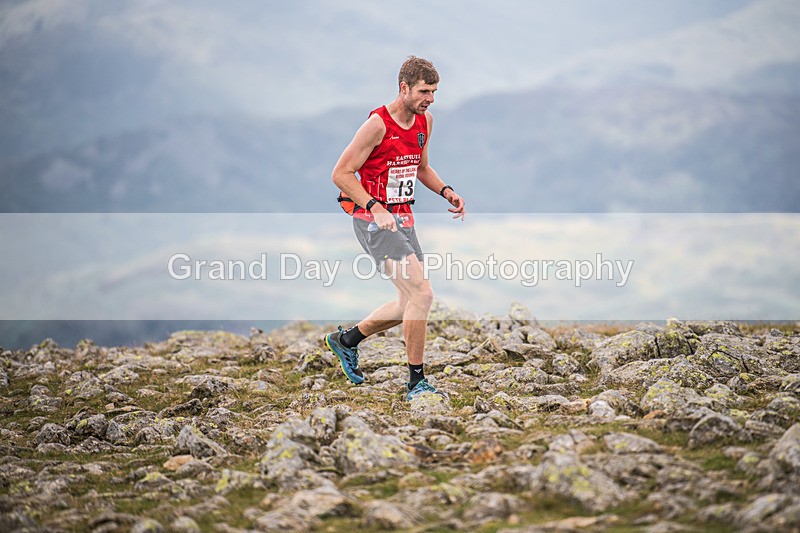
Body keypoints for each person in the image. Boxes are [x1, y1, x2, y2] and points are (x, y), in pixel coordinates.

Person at [325, 55, 466, 402]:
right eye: (424, 91)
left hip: (402, 218)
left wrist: (446, 191)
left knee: (408, 302)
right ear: (404, 88)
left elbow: (421, 168)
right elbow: (341, 173)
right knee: (423, 295)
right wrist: (374, 207)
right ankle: (417, 382)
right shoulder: (377, 125)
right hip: (373, 222)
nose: (430, 99)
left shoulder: (425, 121)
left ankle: (347, 341)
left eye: (434, 92)